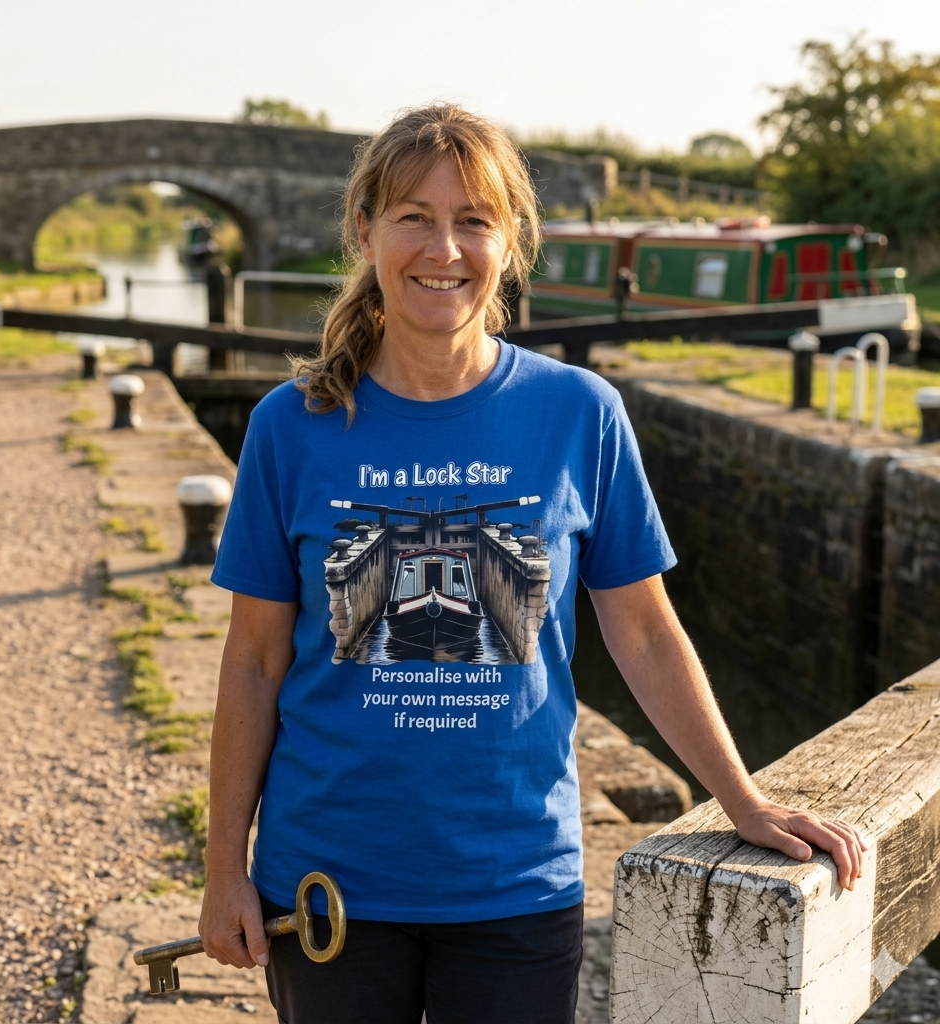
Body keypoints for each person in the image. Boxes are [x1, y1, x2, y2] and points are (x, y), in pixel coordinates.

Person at [199, 103, 866, 1024]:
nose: (445, 248)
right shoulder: (291, 426)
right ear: (365, 233)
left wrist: (741, 798)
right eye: (413, 218)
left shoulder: (580, 414)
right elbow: (254, 662)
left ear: (512, 242)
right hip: (327, 887)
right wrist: (223, 870)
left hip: (515, 880)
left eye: (474, 219)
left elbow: (642, 630)